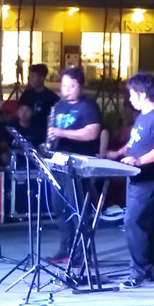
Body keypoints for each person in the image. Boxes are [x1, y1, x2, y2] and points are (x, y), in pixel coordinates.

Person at [104, 73, 154, 288]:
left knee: (133, 222)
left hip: (151, 181)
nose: (130, 98)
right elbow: (135, 142)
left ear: (143, 94)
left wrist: (139, 160)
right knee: (151, 223)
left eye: (132, 93)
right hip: (139, 180)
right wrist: (118, 154)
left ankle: (138, 271)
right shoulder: (142, 117)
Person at [46, 67, 103, 262]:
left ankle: (82, 252)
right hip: (59, 163)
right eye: (64, 86)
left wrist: (62, 133)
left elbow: (92, 132)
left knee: (78, 209)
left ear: (81, 86)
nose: (66, 90)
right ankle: (66, 249)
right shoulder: (59, 106)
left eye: (71, 86)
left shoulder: (89, 106)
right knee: (59, 207)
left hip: (78, 166)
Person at [16, 64, 60, 147]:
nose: (30, 79)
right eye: (30, 76)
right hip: (25, 132)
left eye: (33, 76)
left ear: (42, 78)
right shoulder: (27, 94)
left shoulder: (52, 98)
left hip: (42, 135)